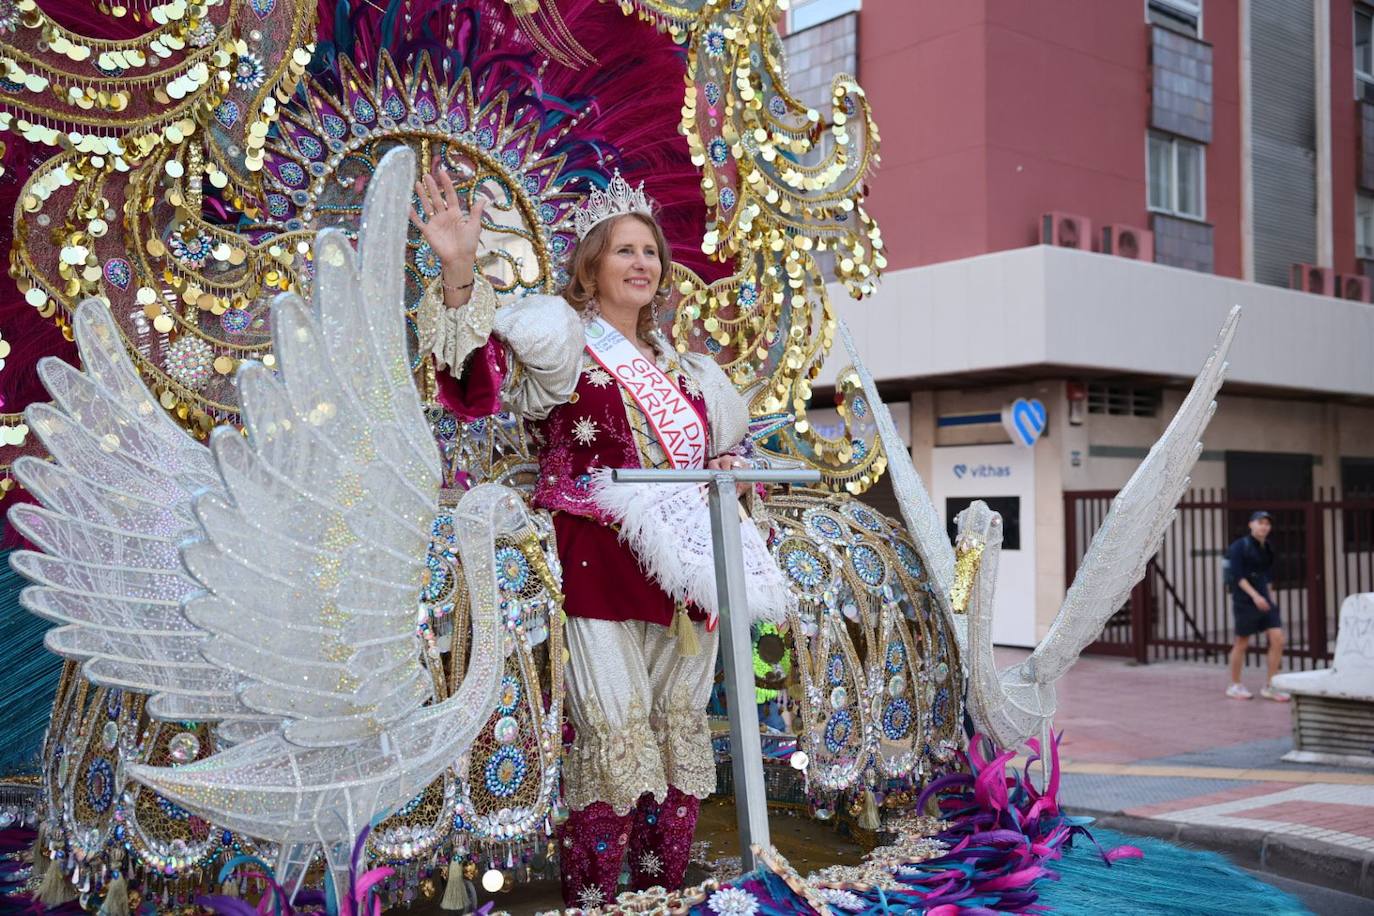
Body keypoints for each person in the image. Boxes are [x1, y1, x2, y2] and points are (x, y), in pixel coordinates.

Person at [409, 167, 790, 909]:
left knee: (678, 738)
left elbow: (725, 454)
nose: (642, 263)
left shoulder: (690, 373)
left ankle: (661, 899)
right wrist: (459, 270)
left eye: (650, 252)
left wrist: (730, 467)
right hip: (597, 565)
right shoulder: (562, 343)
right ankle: (596, 903)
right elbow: (477, 384)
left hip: (686, 573)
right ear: (591, 266)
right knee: (613, 738)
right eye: (624, 250)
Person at [1225, 510, 1290, 702]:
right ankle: (1235, 685)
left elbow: (1267, 575)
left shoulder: (1267, 547)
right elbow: (1237, 576)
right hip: (1245, 600)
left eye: (1267, 524)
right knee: (1242, 642)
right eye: (1260, 522)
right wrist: (1255, 596)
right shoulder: (1239, 546)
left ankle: (1271, 685)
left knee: (1278, 638)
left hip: (1264, 599)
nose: (1264, 526)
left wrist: (1268, 597)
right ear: (1250, 524)